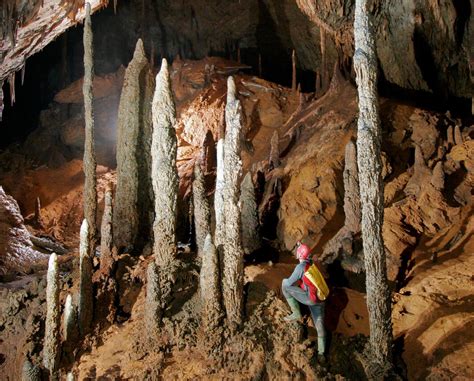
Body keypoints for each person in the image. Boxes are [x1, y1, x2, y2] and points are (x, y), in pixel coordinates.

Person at [282, 241, 327, 361]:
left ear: (299, 255)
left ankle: (296, 313)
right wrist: (300, 245)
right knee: (320, 325)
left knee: (284, 284)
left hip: (309, 298)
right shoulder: (311, 263)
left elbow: (290, 282)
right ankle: (322, 353)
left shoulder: (300, 267)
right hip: (320, 299)